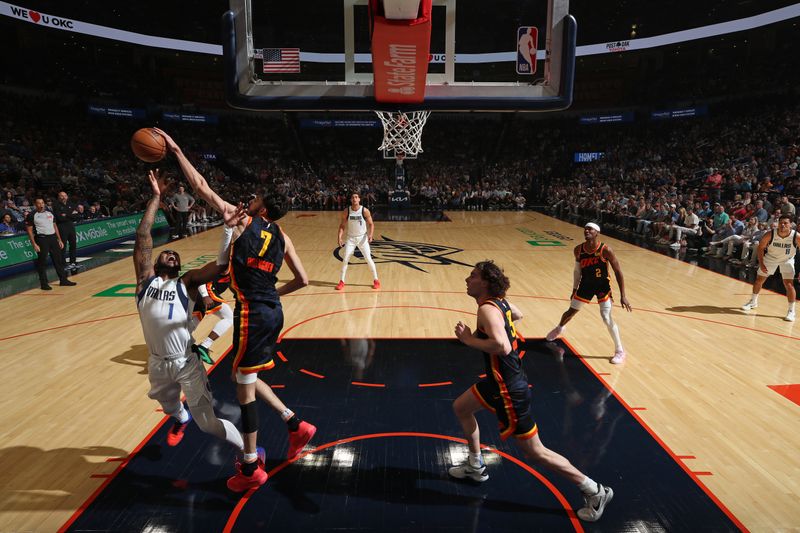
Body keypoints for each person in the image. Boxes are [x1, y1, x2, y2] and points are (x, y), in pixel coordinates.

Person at [153, 128, 316, 492]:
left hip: (253, 314)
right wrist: (272, 295)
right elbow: (304, 279)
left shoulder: (241, 219)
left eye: (256, 197)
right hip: (273, 313)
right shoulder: (284, 237)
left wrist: (177, 149)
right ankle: (295, 424)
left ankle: (248, 467)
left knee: (241, 389)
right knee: (248, 376)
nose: (251, 197)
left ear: (262, 208)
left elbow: (201, 188)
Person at [450, 260, 613, 522]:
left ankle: (594, 490)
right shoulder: (500, 303)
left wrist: (468, 339)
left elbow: (502, 347)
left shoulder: (487, 310)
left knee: (535, 452)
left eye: (473, 276)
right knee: (461, 407)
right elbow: (518, 315)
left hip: (508, 388)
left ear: (486, 283)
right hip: (498, 381)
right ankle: (475, 464)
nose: (467, 279)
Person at [135, 169, 248, 453]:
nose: (171, 254)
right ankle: (180, 419)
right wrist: (156, 198)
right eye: (167, 253)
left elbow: (220, 267)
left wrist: (226, 229)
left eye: (176, 256)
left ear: (178, 265)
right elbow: (143, 235)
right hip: (157, 364)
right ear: (158, 262)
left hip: (186, 363)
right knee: (170, 408)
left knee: (208, 424)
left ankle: (249, 454)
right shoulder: (144, 284)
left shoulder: (186, 283)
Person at [545, 222, 632, 364]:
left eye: (590, 229)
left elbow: (618, 272)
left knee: (606, 317)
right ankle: (560, 327)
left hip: (602, 286)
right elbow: (577, 271)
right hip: (586, 285)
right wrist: (574, 289)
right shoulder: (578, 250)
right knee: (570, 312)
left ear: (597, 232)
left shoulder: (605, 249)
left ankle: (619, 351)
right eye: (585, 229)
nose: (586, 231)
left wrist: (623, 295)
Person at [741, 214, 800, 321]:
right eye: (781, 222)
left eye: (785, 223)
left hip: (787, 259)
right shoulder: (770, 234)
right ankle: (753, 302)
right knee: (759, 280)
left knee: (789, 284)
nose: (782, 225)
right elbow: (760, 248)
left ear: (790, 224)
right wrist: (762, 263)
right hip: (771, 258)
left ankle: (791, 311)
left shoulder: (796, 236)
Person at [25, 198, 77, 291]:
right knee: (42, 262)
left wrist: (59, 239)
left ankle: (63, 280)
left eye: (42, 203)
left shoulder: (50, 213)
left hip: (53, 238)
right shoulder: (32, 215)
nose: (41, 205)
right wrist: (34, 244)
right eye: (39, 203)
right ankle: (44, 283)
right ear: (35, 204)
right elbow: (29, 231)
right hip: (41, 239)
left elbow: (54, 226)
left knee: (58, 260)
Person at [336, 192, 380, 291]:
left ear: (359, 199)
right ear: (351, 200)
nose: (354, 199)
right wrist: (339, 237)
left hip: (362, 238)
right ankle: (341, 281)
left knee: (368, 259)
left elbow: (371, 224)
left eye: (356, 197)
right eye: (353, 197)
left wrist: (371, 235)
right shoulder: (346, 211)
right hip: (350, 238)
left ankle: (376, 280)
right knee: (345, 259)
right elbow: (342, 225)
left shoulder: (364, 211)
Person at [192, 270, 234, 365]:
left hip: (201, 292)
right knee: (229, 318)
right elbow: (201, 279)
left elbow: (231, 284)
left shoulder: (234, 268)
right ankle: (204, 346)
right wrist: (205, 296)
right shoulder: (225, 263)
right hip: (207, 291)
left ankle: (178, 347)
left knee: (194, 322)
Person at [54, 191, 79, 272]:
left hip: (71, 226)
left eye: (65, 195)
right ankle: (63, 264)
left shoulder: (71, 204)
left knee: (73, 245)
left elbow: (76, 216)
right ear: (58, 197)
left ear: (67, 196)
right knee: (63, 247)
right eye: (61, 196)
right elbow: (60, 218)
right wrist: (70, 214)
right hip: (61, 227)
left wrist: (66, 215)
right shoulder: (56, 206)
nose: (63, 197)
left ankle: (73, 262)